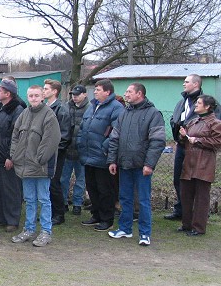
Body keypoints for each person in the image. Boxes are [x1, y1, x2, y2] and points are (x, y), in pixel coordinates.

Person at [107, 83, 165, 246]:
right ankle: (125, 229)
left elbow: (158, 141)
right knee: (125, 198)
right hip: (124, 164)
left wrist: (149, 164)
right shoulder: (124, 113)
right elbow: (114, 138)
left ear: (139, 94)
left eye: (129, 91)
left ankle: (145, 233)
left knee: (143, 200)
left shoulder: (153, 114)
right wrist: (112, 160)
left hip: (142, 166)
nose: (125, 94)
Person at [10, 85, 61, 247]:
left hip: (41, 166)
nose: (33, 98)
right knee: (29, 200)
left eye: (36, 95)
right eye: (30, 95)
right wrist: (15, 155)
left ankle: (46, 231)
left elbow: (51, 140)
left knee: (44, 199)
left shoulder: (49, 115)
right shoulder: (24, 114)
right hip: (25, 166)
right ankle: (29, 229)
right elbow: (15, 137)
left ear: (42, 97)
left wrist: (40, 159)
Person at [166, 74, 221, 220]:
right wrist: (177, 128)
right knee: (179, 179)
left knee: (198, 184)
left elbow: (215, 126)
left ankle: (199, 216)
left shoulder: (207, 102)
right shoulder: (181, 102)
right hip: (182, 144)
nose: (183, 84)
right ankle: (181, 210)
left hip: (200, 151)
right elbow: (175, 118)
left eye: (186, 82)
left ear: (196, 84)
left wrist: (196, 137)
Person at [77, 79, 123, 232]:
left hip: (103, 156)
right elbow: (83, 128)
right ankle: (95, 214)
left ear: (107, 92)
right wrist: (80, 143)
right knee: (92, 187)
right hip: (88, 155)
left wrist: (104, 148)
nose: (95, 92)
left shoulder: (116, 108)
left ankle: (106, 218)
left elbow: (117, 132)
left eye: (98, 89)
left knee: (105, 190)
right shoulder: (92, 107)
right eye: (95, 89)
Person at [177, 95, 221, 236]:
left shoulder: (215, 123)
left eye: (199, 103)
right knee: (186, 195)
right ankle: (186, 224)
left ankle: (199, 228)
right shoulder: (193, 121)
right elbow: (183, 142)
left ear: (207, 106)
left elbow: (217, 142)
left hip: (204, 164)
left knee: (201, 197)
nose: (196, 105)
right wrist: (183, 136)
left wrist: (198, 140)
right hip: (189, 163)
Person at [0, 79, 25, 233]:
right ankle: (0, 217)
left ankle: (12, 220)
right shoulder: (0, 108)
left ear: (7, 93)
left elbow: (17, 135)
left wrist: (11, 156)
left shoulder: (17, 109)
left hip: (7, 157)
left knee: (11, 190)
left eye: (0, 90)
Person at [43, 79, 72, 225]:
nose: (44, 91)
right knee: (45, 184)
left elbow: (65, 135)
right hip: (44, 153)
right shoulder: (44, 107)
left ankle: (59, 214)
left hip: (56, 154)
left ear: (55, 91)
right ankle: (49, 212)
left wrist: (53, 150)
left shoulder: (62, 109)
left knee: (54, 183)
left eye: (47, 89)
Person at [61, 85, 90, 215]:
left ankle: (77, 203)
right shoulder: (66, 107)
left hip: (82, 151)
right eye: (73, 94)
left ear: (85, 94)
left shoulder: (90, 109)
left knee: (81, 179)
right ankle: (64, 202)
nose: (75, 96)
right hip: (67, 149)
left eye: (77, 94)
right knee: (63, 178)